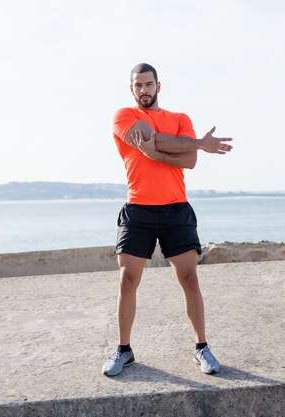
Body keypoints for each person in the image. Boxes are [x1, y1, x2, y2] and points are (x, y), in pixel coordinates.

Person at [102, 63, 233, 376]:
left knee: (189, 278)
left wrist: (158, 153)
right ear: (131, 89)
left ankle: (201, 347)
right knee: (127, 280)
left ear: (158, 86)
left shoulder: (180, 119)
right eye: (138, 85)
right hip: (139, 210)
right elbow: (157, 139)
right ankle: (124, 350)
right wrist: (197, 142)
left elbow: (188, 161)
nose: (144, 90)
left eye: (149, 84)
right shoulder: (124, 116)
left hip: (176, 209)